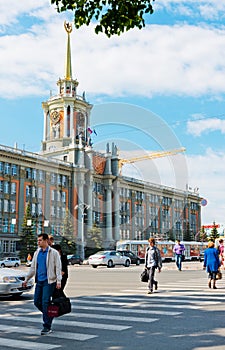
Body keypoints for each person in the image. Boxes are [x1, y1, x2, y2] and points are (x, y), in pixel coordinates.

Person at [22, 233, 62, 335]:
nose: (38, 242)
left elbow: (58, 267)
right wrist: (26, 279)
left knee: (45, 302)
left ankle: (47, 326)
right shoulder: (37, 253)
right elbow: (33, 268)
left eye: (40, 240)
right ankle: (49, 315)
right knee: (36, 302)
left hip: (49, 281)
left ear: (45, 241)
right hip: (39, 281)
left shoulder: (53, 253)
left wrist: (58, 281)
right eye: (38, 240)